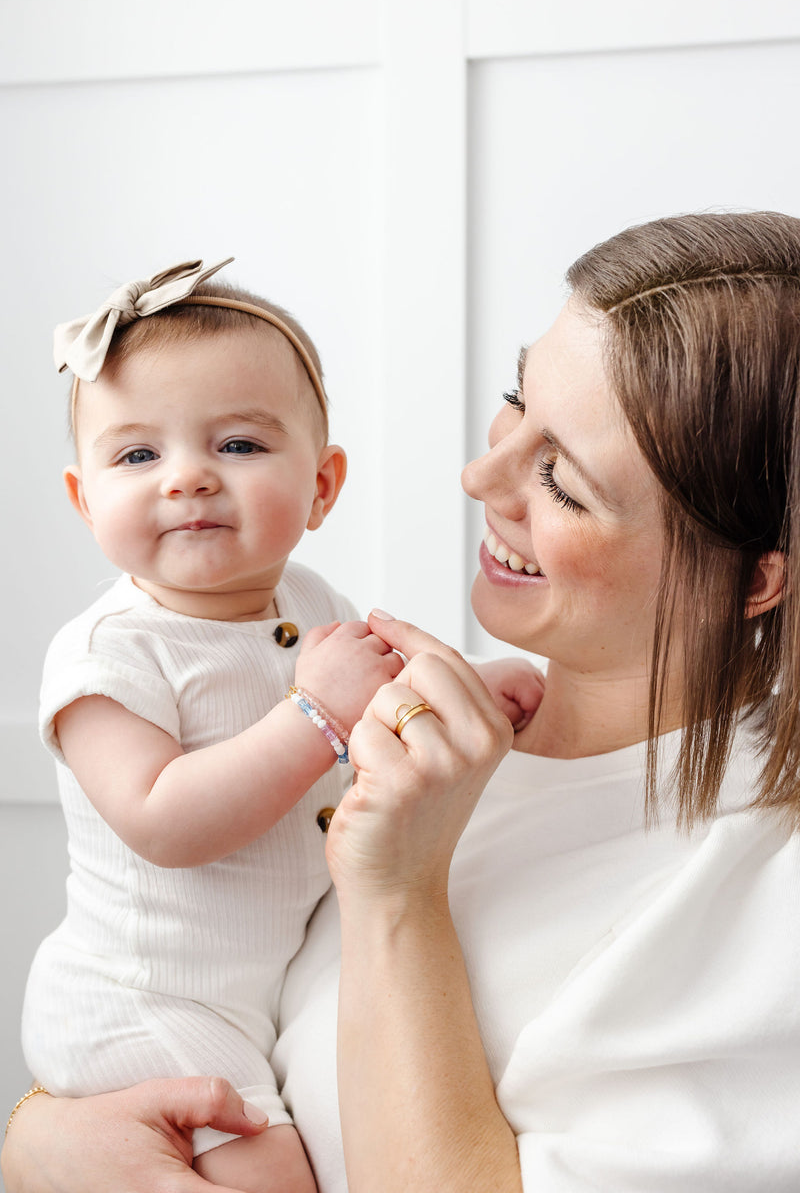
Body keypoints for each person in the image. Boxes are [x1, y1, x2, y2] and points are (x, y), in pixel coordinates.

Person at [5, 210, 800, 1193]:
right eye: (517, 401)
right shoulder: (437, 720)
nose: (478, 478)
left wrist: (395, 894)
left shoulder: (757, 903)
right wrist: (40, 1136)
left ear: (756, 579)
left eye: (559, 478)